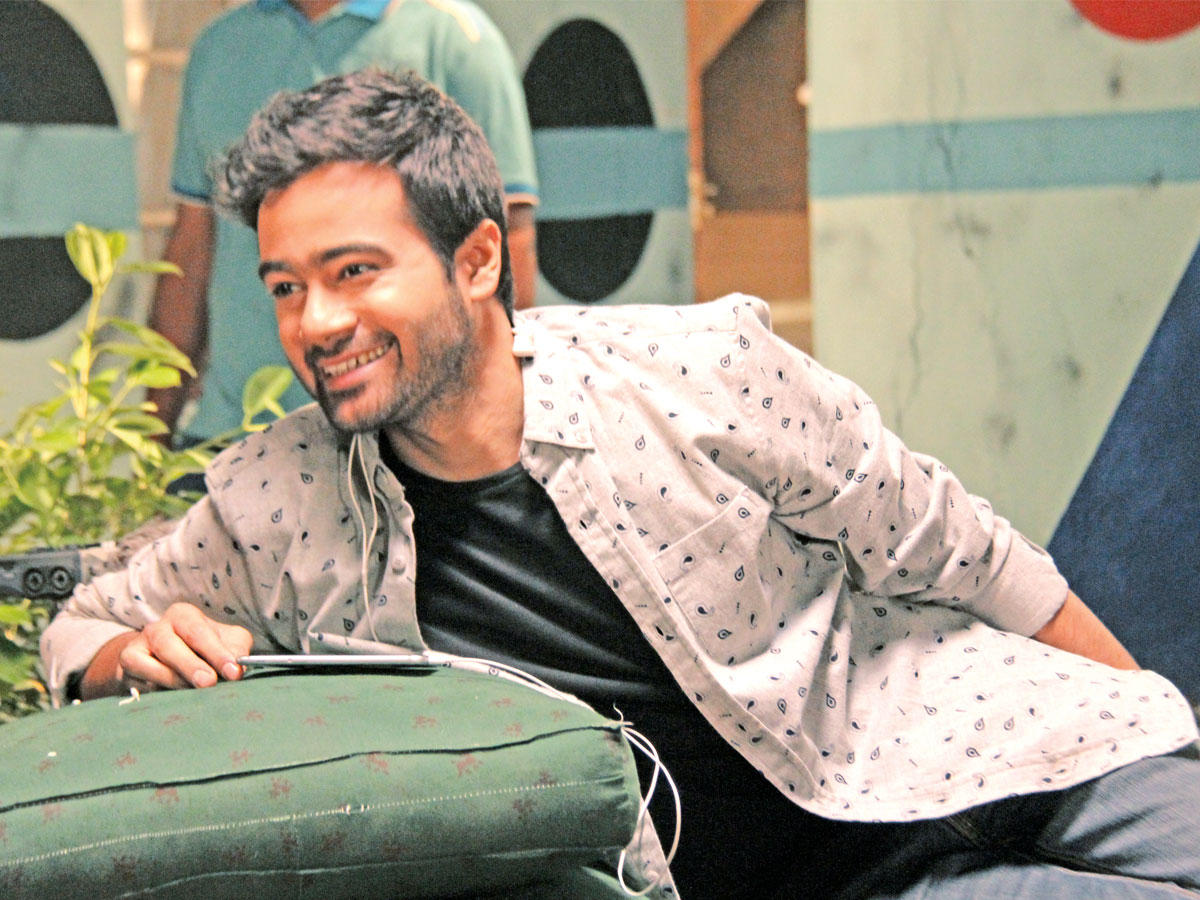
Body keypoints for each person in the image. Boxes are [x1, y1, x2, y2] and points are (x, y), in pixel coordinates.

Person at [42, 70, 1199, 899]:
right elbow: (85, 624)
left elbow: (956, 547)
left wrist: (1145, 713)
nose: (317, 322)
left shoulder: (697, 372)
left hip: (966, 741)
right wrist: (124, 655)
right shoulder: (277, 500)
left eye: (354, 271)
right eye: (286, 286)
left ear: (478, 259)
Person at [147, 0, 538, 448]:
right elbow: (191, 249)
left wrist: (485, 444)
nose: (317, 322)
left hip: (400, 444)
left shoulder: (455, 38)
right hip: (228, 435)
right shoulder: (219, 46)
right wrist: (153, 444)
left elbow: (508, 247)